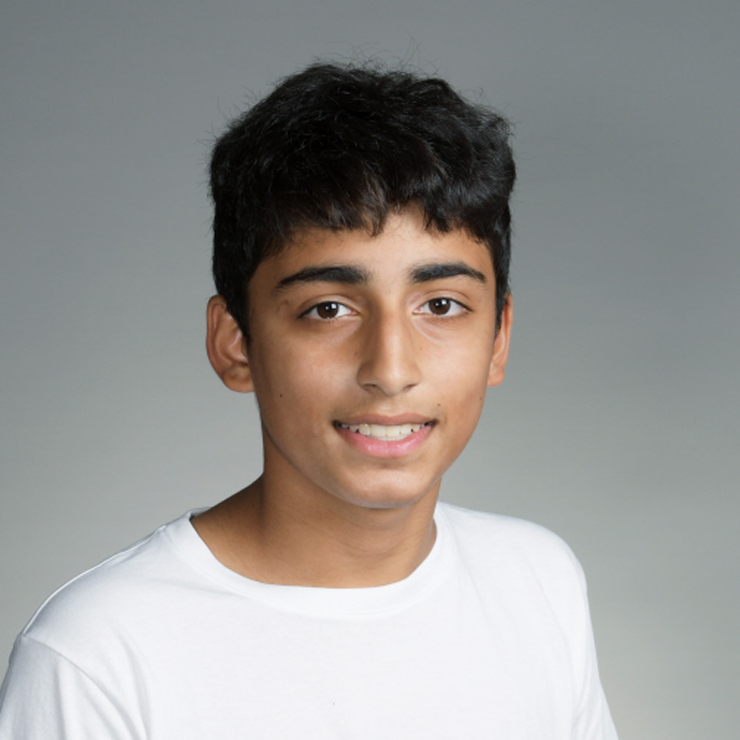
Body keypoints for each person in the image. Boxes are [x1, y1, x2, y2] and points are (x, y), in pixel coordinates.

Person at [0, 62, 618, 738]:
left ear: (498, 338)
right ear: (236, 344)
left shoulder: (536, 582)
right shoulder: (99, 657)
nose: (390, 369)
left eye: (441, 305)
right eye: (328, 309)